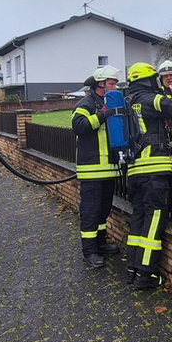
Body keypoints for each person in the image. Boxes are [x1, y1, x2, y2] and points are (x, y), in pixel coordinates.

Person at [123, 62, 172, 289]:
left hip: (134, 171)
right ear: (148, 80)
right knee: (153, 223)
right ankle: (146, 275)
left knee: (138, 220)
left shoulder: (127, 102)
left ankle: (132, 269)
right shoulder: (148, 99)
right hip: (154, 169)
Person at [71, 65, 123, 268]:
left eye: (115, 83)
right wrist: (104, 115)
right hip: (91, 169)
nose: (114, 86)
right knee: (91, 212)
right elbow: (79, 127)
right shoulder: (86, 103)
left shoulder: (110, 102)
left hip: (109, 169)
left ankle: (101, 244)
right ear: (100, 84)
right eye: (111, 83)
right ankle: (89, 251)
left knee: (103, 210)